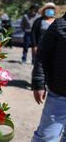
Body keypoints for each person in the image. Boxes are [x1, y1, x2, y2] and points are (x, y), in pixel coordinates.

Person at [31, 12, 66, 142]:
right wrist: (39, 83)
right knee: (46, 137)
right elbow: (42, 57)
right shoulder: (59, 25)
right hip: (59, 96)